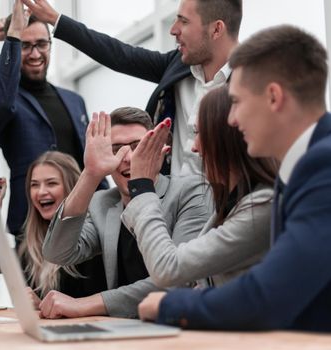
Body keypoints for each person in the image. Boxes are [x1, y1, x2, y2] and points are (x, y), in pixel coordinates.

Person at [139, 25, 331, 332]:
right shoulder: (299, 170)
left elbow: (268, 295)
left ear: (273, 97)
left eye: (238, 102)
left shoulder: (322, 166)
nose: (231, 119)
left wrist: (168, 305)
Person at [21, 0, 241, 176]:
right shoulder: (177, 65)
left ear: (216, 29)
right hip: (172, 207)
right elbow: (118, 54)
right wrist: (54, 19)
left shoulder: (252, 86)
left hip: (224, 209)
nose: (173, 30)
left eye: (184, 21)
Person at [39, 108, 211, 319]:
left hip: (178, 327)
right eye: (116, 149)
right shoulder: (103, 202)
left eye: (138, 146)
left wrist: (85, 304)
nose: (128, 157)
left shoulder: (192, 192)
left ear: (161, 149)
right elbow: (57, 253)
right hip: (122, 332)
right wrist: (91, 174)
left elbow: (179, 279)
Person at [120, 85, 276, 291]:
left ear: (227, 137)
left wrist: (143, 188)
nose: (194, 147)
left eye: (199, 132)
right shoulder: (234, 202)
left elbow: (168, 269)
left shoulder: (262, 205)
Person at [0, 0, 108, 238]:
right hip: (32, 225)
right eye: (25, 46)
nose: (35, 53)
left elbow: (89, 159)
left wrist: (107, 209)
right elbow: (0, 104)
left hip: (82, 223)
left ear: (50, 45)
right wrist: (12, 36)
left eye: (41, 44)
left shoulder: (74, 100)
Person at [0, 151, 107, 307]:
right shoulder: (29, 241)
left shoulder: (92, 234)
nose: (41, 192)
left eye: (51, 183)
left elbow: (100, 301)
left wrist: (41, 305)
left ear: (73, 188)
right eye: (34, 185)